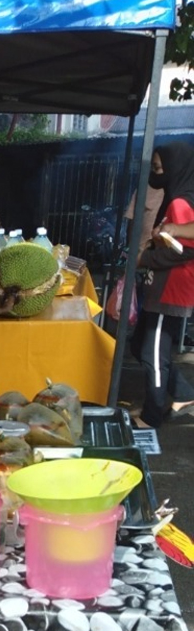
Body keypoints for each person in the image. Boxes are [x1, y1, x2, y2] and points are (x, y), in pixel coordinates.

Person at [129, 142, 194, 428]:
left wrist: (145, 258)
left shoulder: (180, 203)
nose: (156, 175)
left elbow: (186, 251)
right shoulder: (175, 198)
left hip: (171, 289)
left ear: (175, 167)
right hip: (162, 287)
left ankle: (151, 415)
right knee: (141, 345)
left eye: (158, 168)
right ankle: (183, 394)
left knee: (153, 354)